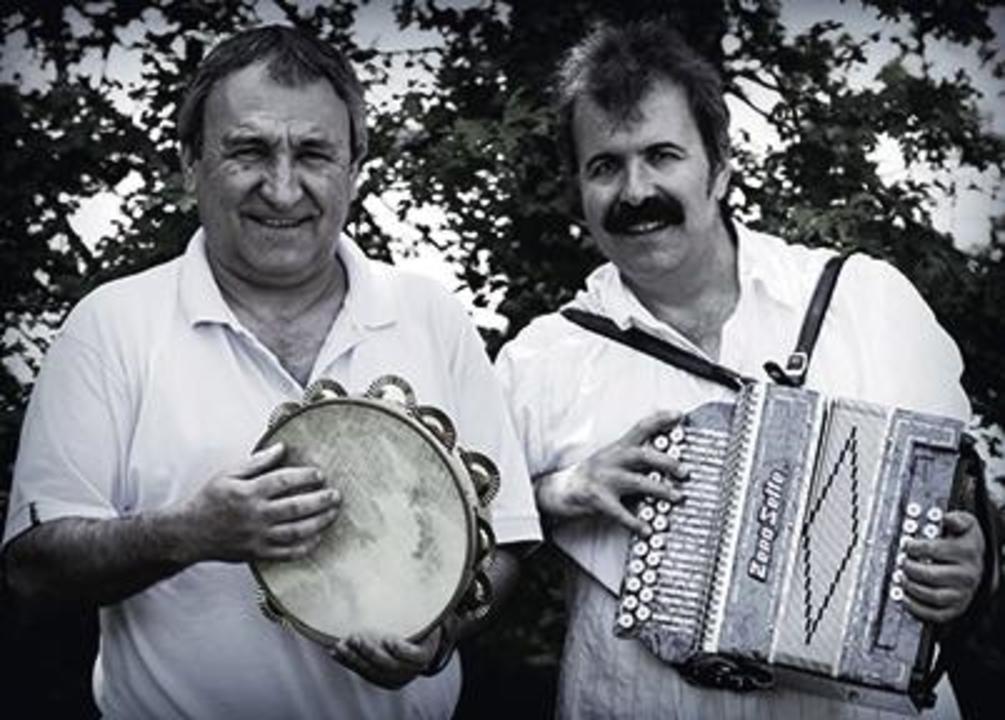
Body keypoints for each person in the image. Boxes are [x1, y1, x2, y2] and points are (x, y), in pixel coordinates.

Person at [2, 25, 541, 719]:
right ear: (191, 162)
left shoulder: (430, 314)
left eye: (313, 153)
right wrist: (189, 533)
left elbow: (505, 539)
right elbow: (35, 565)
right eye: (249, 150)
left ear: (354, 167)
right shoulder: (111, 324)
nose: (283, 189)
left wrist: (439, 634)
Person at [495, 20, 987, 719]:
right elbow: (476, 538)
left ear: (720, 167)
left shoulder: (865, 299)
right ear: (577, 190)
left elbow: (967, 496)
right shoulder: (538, 361)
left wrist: (973, 566)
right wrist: (558, 491)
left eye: (662, 155)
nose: (635, 191)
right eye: (604, 166)